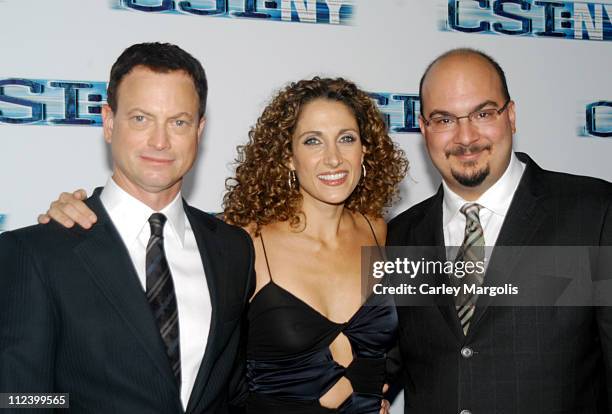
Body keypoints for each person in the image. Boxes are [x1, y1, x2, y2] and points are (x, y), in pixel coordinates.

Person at [37, 77, 408, 413]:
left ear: (365, 150)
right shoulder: (241, 243)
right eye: (313, 140)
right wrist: (80, 216)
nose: (333, 158)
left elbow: (422, 340)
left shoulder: (383, 232)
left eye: (347, 138)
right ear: (288, 157)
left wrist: (378, 392)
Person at [0, 43, 255, 414]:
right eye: (141, 118)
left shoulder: (234, 249)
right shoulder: (37, 252)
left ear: (199, 130)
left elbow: (232, 393)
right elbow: (19, 399)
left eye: (178, 122)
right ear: (108, 122)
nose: (160, 141)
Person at [387, 48, 612, 413]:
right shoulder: (398, 237)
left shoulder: (595, 213)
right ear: (424, 129)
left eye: (483, 113)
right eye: (444, 119)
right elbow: (377, 361)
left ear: (511, 116)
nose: (466, 137)